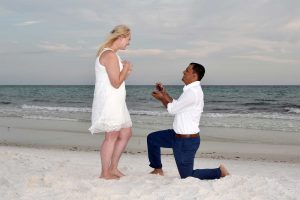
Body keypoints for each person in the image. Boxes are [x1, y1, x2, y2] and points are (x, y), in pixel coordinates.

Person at [148, 63, 229, 180]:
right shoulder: (190, 90)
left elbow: (172, 109)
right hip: (175, 136)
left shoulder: (193, 93)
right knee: (152, 139)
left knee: (186, 176)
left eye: (187, 70)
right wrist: (164, 93)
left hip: (186, 141)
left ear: (194, 76)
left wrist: (161, 98)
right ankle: (157, 169)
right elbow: (176, 104)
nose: (183, 72)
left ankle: (219, 172)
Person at [89, 25, 133, 180]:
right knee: (112, 136)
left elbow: (116, 81)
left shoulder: (112, 54)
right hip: (110, 100)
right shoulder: (109, 55)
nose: (129, 43)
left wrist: (125, 70)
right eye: (128, 39)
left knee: (126, 133)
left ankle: (113, 168)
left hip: (117, 100)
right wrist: (126, 68)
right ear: (121, 37)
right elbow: (116, 83)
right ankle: (105, 172)